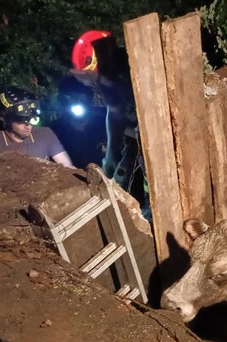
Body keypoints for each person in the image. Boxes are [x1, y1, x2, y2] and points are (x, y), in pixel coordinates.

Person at [70, 30, 151, 220]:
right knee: (122, 171)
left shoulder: (131, 68)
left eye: (87, 76)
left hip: (154, 127)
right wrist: (111, 154)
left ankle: (152, 216)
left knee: (149, 173)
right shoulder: (106, 78)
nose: (87, 83)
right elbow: (114, 113)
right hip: (137, 131)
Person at [0, 87, 74, 168]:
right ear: (4, 119)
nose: (28, 126)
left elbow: (68, 168)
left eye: (30, 119)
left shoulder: (45, 134)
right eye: (21, 121)